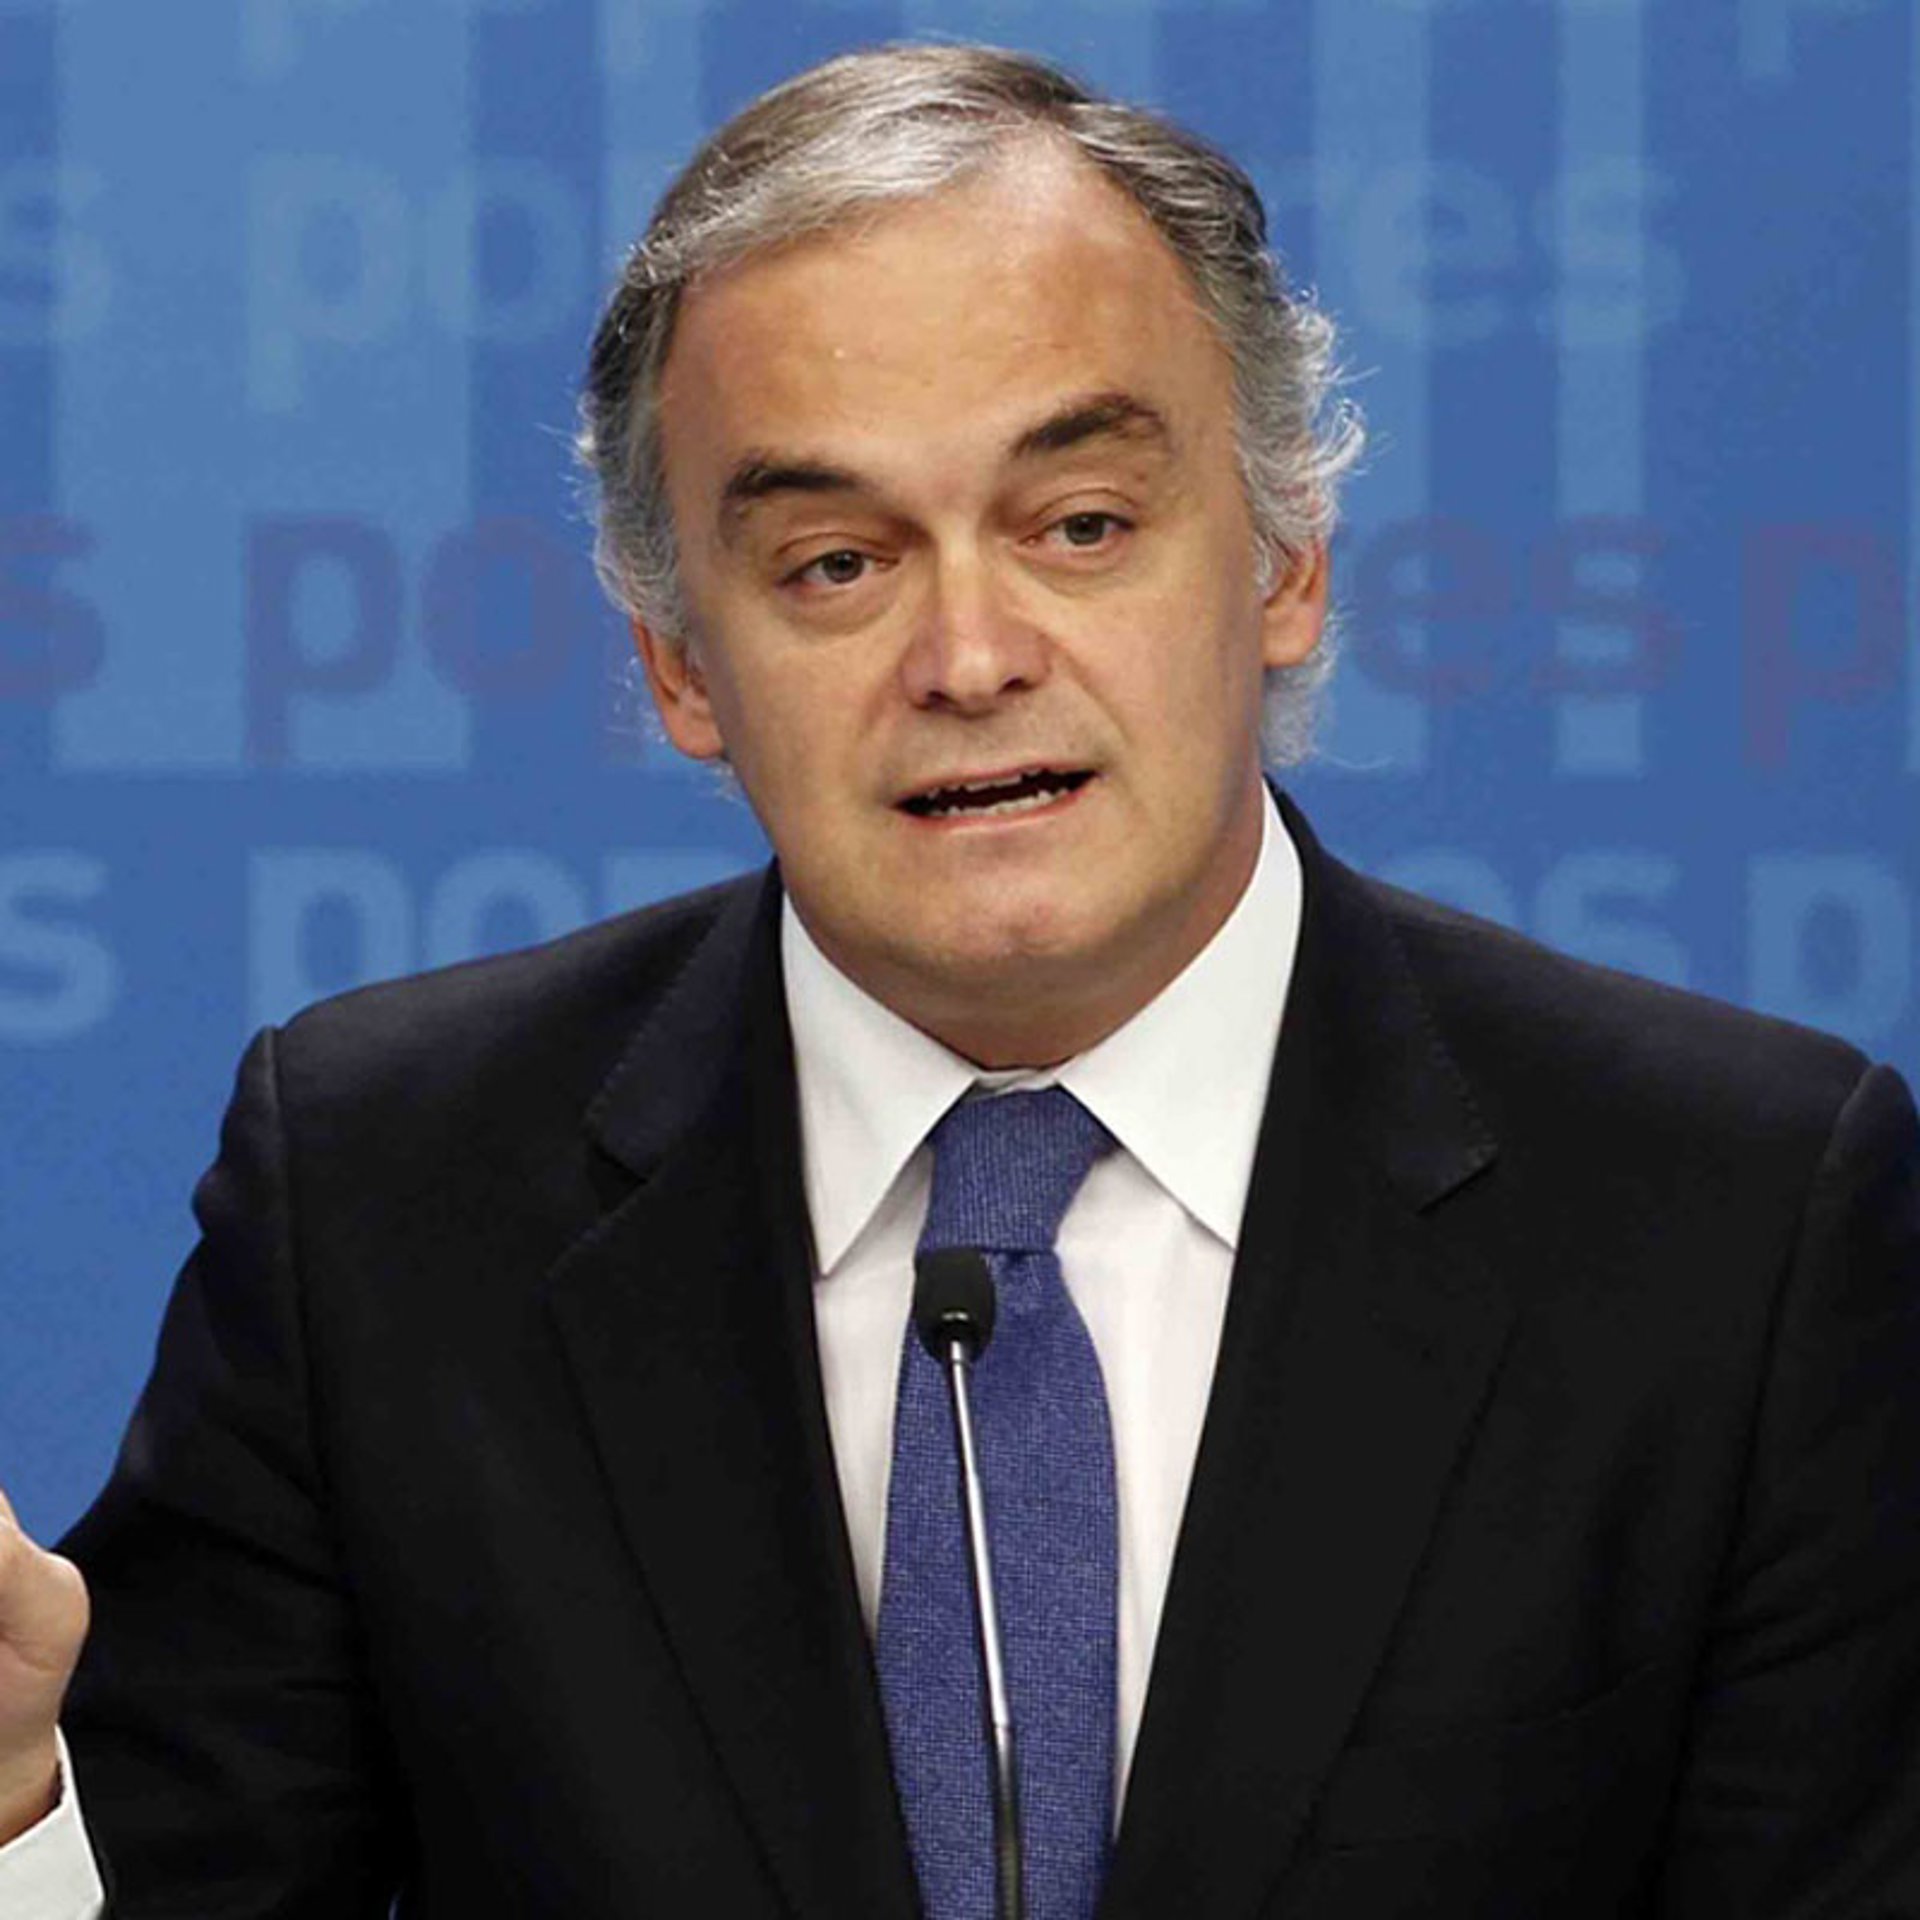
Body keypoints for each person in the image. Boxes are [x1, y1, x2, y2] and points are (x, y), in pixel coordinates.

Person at [2, 40, 1917, 1918]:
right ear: (680, 666)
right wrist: (13, 1809)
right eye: (835, 564)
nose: (972, 657)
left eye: (1080, 526)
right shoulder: (384, 1200)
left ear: (1284, 564)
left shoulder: (1734, 1222)